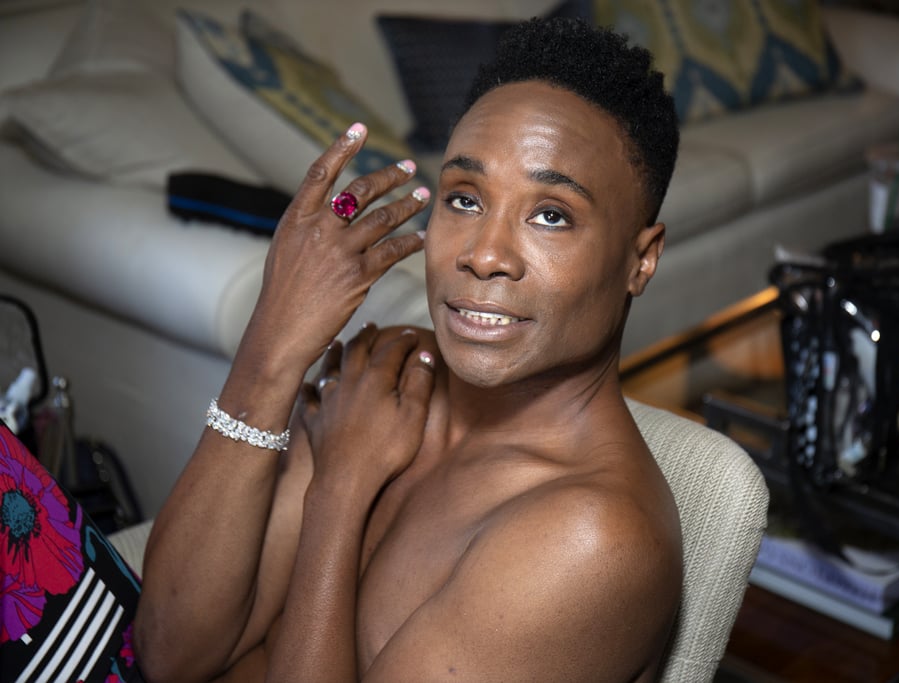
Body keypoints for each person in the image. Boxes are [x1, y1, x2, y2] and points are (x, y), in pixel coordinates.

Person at [135, 15, 682, 683]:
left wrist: (339, 493)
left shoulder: (591, 540)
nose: (483, 254)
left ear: (641, 259)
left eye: (551, 215)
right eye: (463, 197)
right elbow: (170, 648)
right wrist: (271, 348)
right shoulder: (392, 372)